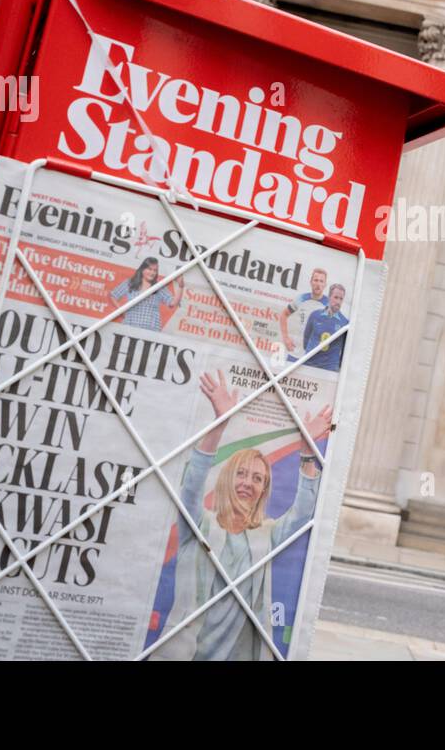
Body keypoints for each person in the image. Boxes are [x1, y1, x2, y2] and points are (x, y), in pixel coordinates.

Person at [166, 368, 331, 660]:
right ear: (228, 479)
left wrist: (307, 453)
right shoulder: (199, 524)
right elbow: (191, 487)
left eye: (257, 478)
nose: (248, 483)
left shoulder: (267, 534)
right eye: (241, 474)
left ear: (264, 489)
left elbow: (303, 512)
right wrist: (220, 423)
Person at [109, 256, 183, 331]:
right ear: (142, 269)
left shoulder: (159, 287)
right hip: (130, 326)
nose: (152, 273)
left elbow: (173, 303)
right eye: (150, 269)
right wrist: (121, 311)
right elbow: (113, 295)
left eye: (155, 270)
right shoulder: (130, 283)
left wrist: (180, 285)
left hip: (151, 329)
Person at [280, 268, 327, 362]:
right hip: (295, 354)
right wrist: (286, 338)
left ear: (325, 285)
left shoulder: (328, 304)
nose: (318, 284)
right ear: (311, 282)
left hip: (314, 358)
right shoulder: (301, 298)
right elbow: (284, 315)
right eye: (316, 280)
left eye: (321, 281)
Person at [301, 284, 348, 372]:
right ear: (329, 297)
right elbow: (305, 340)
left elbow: (345, 352)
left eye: (341, 299)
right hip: (309, 364)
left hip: (329, 369)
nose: (338, 302)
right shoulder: (315, 315)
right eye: (336, 297)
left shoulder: (345, 323)